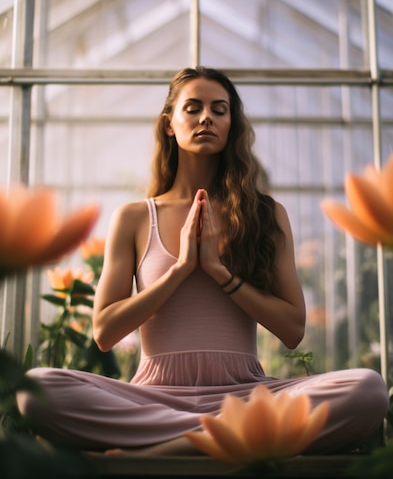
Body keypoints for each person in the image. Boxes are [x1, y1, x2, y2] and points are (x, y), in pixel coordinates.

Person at [18, 66, 388, 456]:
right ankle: (228, 439)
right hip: (154, 401)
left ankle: (166, 448)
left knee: (367, 390)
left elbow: (293, 330)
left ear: (231, 124)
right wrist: (180, 271)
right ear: (169, 125)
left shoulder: (266, 214)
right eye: (193, 108)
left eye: (220, 110)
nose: (207, 117)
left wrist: (219, 272)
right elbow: (104, 332)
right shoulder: (135, 217)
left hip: (246, 397)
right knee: (37, 390)